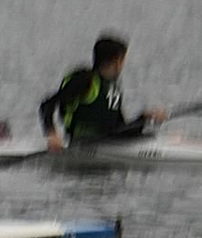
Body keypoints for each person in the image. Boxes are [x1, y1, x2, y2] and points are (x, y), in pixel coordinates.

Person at [39, 31, 168, 150]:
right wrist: (52, 135)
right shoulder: (85, 80)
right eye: (123, 59)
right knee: (145, 136)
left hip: (107, 139)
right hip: (84, 142)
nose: (123, 64)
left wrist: (145, 118)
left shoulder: (112, 86)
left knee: (149, 135)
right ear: (117, 61)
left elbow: (120, 127)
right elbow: (47, 105)